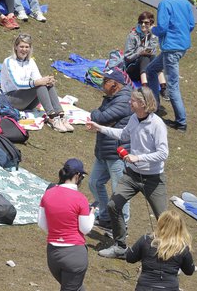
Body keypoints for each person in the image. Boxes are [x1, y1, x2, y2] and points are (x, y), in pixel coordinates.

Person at [86, 87, 169, 259]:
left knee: (164, 218)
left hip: (153, 178)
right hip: (131, 175)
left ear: (143, 104)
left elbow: (163, 153)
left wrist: (138, 158)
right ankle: (120, 246)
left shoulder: (157, 124)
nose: (129, 102)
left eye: (133, 100)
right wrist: (99, 128)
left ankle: (171, 256)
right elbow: (123, 134)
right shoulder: (134, 118)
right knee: (113, 206)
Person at [145, 0, 195, 132]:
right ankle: (155, 106)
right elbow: (191, 25)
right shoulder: (184, 1)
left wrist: (153, 30)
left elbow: (163, 28)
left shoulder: (165, 3)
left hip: (171, 49)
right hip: (181, 47)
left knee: (172, 86)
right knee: (151, 70)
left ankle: (181, 122)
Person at [38, 158, 95, 291]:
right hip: (74, 256)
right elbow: (85, 228)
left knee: (75, 287)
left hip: (53, 255)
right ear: (77, 176)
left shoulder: (47, 194)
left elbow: (42, 224)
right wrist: (91, 214)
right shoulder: (81, 199)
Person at [87, 67, 132, 231]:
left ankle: (122, 225)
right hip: (104, 151)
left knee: (119, 192)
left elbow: (101, 117)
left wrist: (96, 115)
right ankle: (106, 216)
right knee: (94, 183)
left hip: (116, 153)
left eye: (106, 81)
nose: (102, 83)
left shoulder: (124, 100)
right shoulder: (112, 98)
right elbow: (101, 119)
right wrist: (99, 118)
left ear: (116, 84)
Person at [0, 33, 73, 132]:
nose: (24, 49)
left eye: (27, 47)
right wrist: (38, 82)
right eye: (21, 46)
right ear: (16, 47)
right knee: (39, 85)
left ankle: (60, 115)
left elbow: (38, 78)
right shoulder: (9, 62)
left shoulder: (31, 61)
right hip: (11, 99)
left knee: (46, 84)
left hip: (27, 102)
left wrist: (48, 81)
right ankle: (52, 117)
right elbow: (17, 84)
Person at [125, 210, 195, 291]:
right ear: (180, 227)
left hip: (145, 287)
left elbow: (129, 258)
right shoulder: (182, 248)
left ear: (160, 223)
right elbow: (189, 271)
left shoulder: (145, 239)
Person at [124, 11, 167, 96]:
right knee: (144, 57)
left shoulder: (152, 35)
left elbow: (153, 52)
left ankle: (164, 88)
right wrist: (139, 53)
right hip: (132, 69)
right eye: (141, 22)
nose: (143, 25)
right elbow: (127, 57)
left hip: (146, 70)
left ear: (151, 24)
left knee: (154, 58)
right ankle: (145, 87)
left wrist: (153, 36)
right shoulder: (133, 35)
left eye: (146, 23)